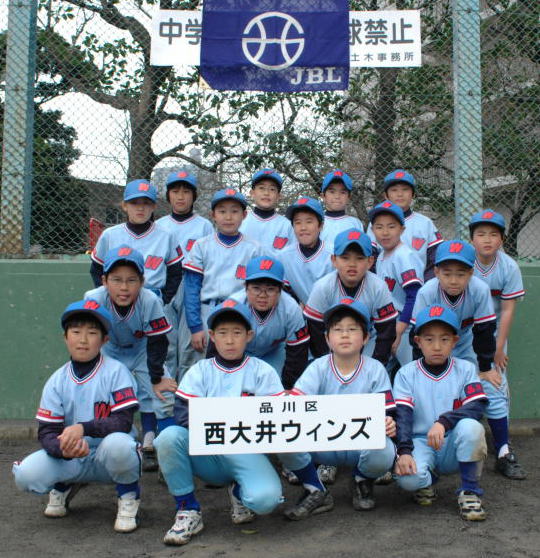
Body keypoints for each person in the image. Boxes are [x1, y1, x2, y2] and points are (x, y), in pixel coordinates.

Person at [153, 300, 330, 546]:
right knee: (169, 437)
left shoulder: (262, 371)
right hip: (208, 453)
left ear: (249, 335)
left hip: (246, 453)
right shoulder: (200, 371)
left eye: (237, 333)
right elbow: (183, 415)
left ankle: (239, 490)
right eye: (223, 333)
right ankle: (188, 509)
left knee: (265, 501)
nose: (229, 340)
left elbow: (279, 421)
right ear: (212, 336)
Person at [13, 299, 141, 532]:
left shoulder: (116, 372)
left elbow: (123, 422)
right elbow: (47, 432)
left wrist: (83, 428)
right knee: (25, 474)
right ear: (65, 337)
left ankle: (128, 495)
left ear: (104, 340)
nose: (83, 340)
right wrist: (62, 449)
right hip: (72, 458)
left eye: (92, 333)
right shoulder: (56, 381)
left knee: (121, 446)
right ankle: (63, 484)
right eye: (76, 332)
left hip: (107, 456)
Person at [410, 239, 523, 479]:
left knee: (492, 386)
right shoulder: (427, 292)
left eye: (460, 273)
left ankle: (503, 451)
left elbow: (484, 332)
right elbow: (416, 337)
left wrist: (485, 368)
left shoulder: (479, 289)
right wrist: (422, 369)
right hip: (435, 349)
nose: (453, 280)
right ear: (436, 272)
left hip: (468, 347)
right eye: (447, 273)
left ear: (471, 273)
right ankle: (423, 447)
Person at [285, 299, 397, 518]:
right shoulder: (317, 367)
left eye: (352, 329)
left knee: (385, 448)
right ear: (327, 338)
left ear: (366, 337)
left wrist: (388, 422)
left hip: (360, 443)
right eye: (337, 330)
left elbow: (387, 411)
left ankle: (361, 479)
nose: (345, 335)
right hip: (324, 443)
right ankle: (315, 488)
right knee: (284, 437)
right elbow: (297, 403)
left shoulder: (375, 369)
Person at [85, 245, 176, 472]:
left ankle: (168, 457)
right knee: (99, 397)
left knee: (164, 394)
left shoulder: (150, 300)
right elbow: (88, 340)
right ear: (104, 281)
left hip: (143, 348)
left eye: (131, 280)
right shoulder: (93, 299)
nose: (124, 287)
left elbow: (158, 340)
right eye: (116, 280)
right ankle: (98, 452)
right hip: (109, 349)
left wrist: (156, 377)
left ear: (142, 281)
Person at [394, 304, 488, 521]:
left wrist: (444, 422)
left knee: (472, 428)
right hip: (420, 442)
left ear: (454, 341)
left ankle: (470, 491)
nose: (437, 346)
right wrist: (404, 451)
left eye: (444, 339)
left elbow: (477, 405)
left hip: (453, 442)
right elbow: (403, 416)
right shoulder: (406, 373)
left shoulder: (465, 369)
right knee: (408, 480)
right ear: (418, 341)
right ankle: (429, 477)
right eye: (429, 339)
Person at [469, 209, 526, 479]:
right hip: (463, 333)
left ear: (502, 239)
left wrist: (498, 348)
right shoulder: (464, 262)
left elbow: (507, 309)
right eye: (481, 234)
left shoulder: (508, 266)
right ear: (472, 239)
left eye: (493, 234)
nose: (487, 239)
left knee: (496, 383)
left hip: (492, 335)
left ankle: (503, 447)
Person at [182, 188, 263, 357]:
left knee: (238, 361)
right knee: (204, 363)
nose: (228, 217)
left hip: (240, 311)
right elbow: (191, 289)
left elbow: (258, 290)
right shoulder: (201, 245)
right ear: (213, 215)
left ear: (244, 215)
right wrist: (195, 327)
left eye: (234, 211)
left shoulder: (254, 248)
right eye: (222, 211)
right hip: (208, 310)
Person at [304, 228, 397, 366]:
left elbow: (386, 332)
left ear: (370, 261)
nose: (352, 264)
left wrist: (376, 366)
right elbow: (315, 331)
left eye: (359, 258)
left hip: (368, 339)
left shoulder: (378, 287)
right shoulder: (322, 287)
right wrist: (329, 365)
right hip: (333, 340)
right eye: (345, 257)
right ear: (334, 260)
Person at [156, 170, 214, 381]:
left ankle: (188, 395)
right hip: (166, 285)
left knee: (191, 346)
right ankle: (167, 396)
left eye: (186, 191)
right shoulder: (159, 225)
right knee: (167, 345)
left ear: (194, 195)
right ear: (168, 195)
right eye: (175, 191)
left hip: (192, 286)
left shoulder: (204, 225)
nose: (180, 196)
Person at [90, 179, 183, 304]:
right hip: (118, 297)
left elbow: (175, 273)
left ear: (154, 206)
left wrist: (164, 299)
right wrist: (107, 296)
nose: (140, 208)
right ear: (124, 206)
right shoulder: (110, 235)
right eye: (134, 203)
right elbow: (96, 269)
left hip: (153, 297)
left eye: (146, 203)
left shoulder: (166, 235)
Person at [224, 256, 310, 390]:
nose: (262, 295)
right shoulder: (234, 305)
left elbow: (298, 352)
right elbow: (219, 347)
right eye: (256, 288)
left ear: (280, 289)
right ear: (246, 287)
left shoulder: (291, 309)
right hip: (239, 352)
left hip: (273, 352)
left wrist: (288, 386)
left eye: (270, 289)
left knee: (276, 388)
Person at [369, 201, 423, 368]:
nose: (385, 232)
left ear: (402, 229)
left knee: (413, 371)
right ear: (372, 230)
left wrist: (399, 330)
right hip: (388, 322)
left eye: (391, 226)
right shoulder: (381, 256)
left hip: (406, 324)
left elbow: (414, 295)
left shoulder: (404, 255)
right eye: (379, 227)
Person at [367, 169, 443, 280]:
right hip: (384, 285)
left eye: (405, 189)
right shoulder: (375, 224)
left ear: (413, 194)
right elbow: (370, 257)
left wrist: (426, 286)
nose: (400, 194)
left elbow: (436, 258)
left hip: (420, 285)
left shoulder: (425, 223)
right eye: (394, 190)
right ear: (386, 195)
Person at [280, 196, 333, 305]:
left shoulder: (334, 254)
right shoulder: (284, 256)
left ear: (320, 225)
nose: (303, 228)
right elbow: (285, 292)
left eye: (309, 222)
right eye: (298, 222)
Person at [239, 168, 294, 255]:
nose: (266, 193)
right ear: (252, 193)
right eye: (261, 188)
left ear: (279, 196)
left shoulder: (287, 225)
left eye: (272, 189)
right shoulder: (240, 222)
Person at [319, 169, 364, 252]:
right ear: (323, 196)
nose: (337, 196)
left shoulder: (355, 223)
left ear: (349, 197)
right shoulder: (317, 222)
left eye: (343, 192)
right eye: (332, 192)